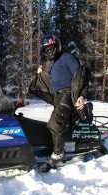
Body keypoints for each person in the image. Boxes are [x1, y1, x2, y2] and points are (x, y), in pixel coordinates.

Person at [35, 35, 87, 167]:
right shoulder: (51, 64)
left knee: (55, 123)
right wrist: (41, 74)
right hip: (58, 96)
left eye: (51, 48)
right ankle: (62, 146)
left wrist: (82, 95)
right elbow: (49, 80)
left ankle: (58, 154)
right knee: (59, 124)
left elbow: (81, 76)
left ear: (57, 46)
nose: (49, 52)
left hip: (68, 94)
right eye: (46, 50)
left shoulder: (67, 58)